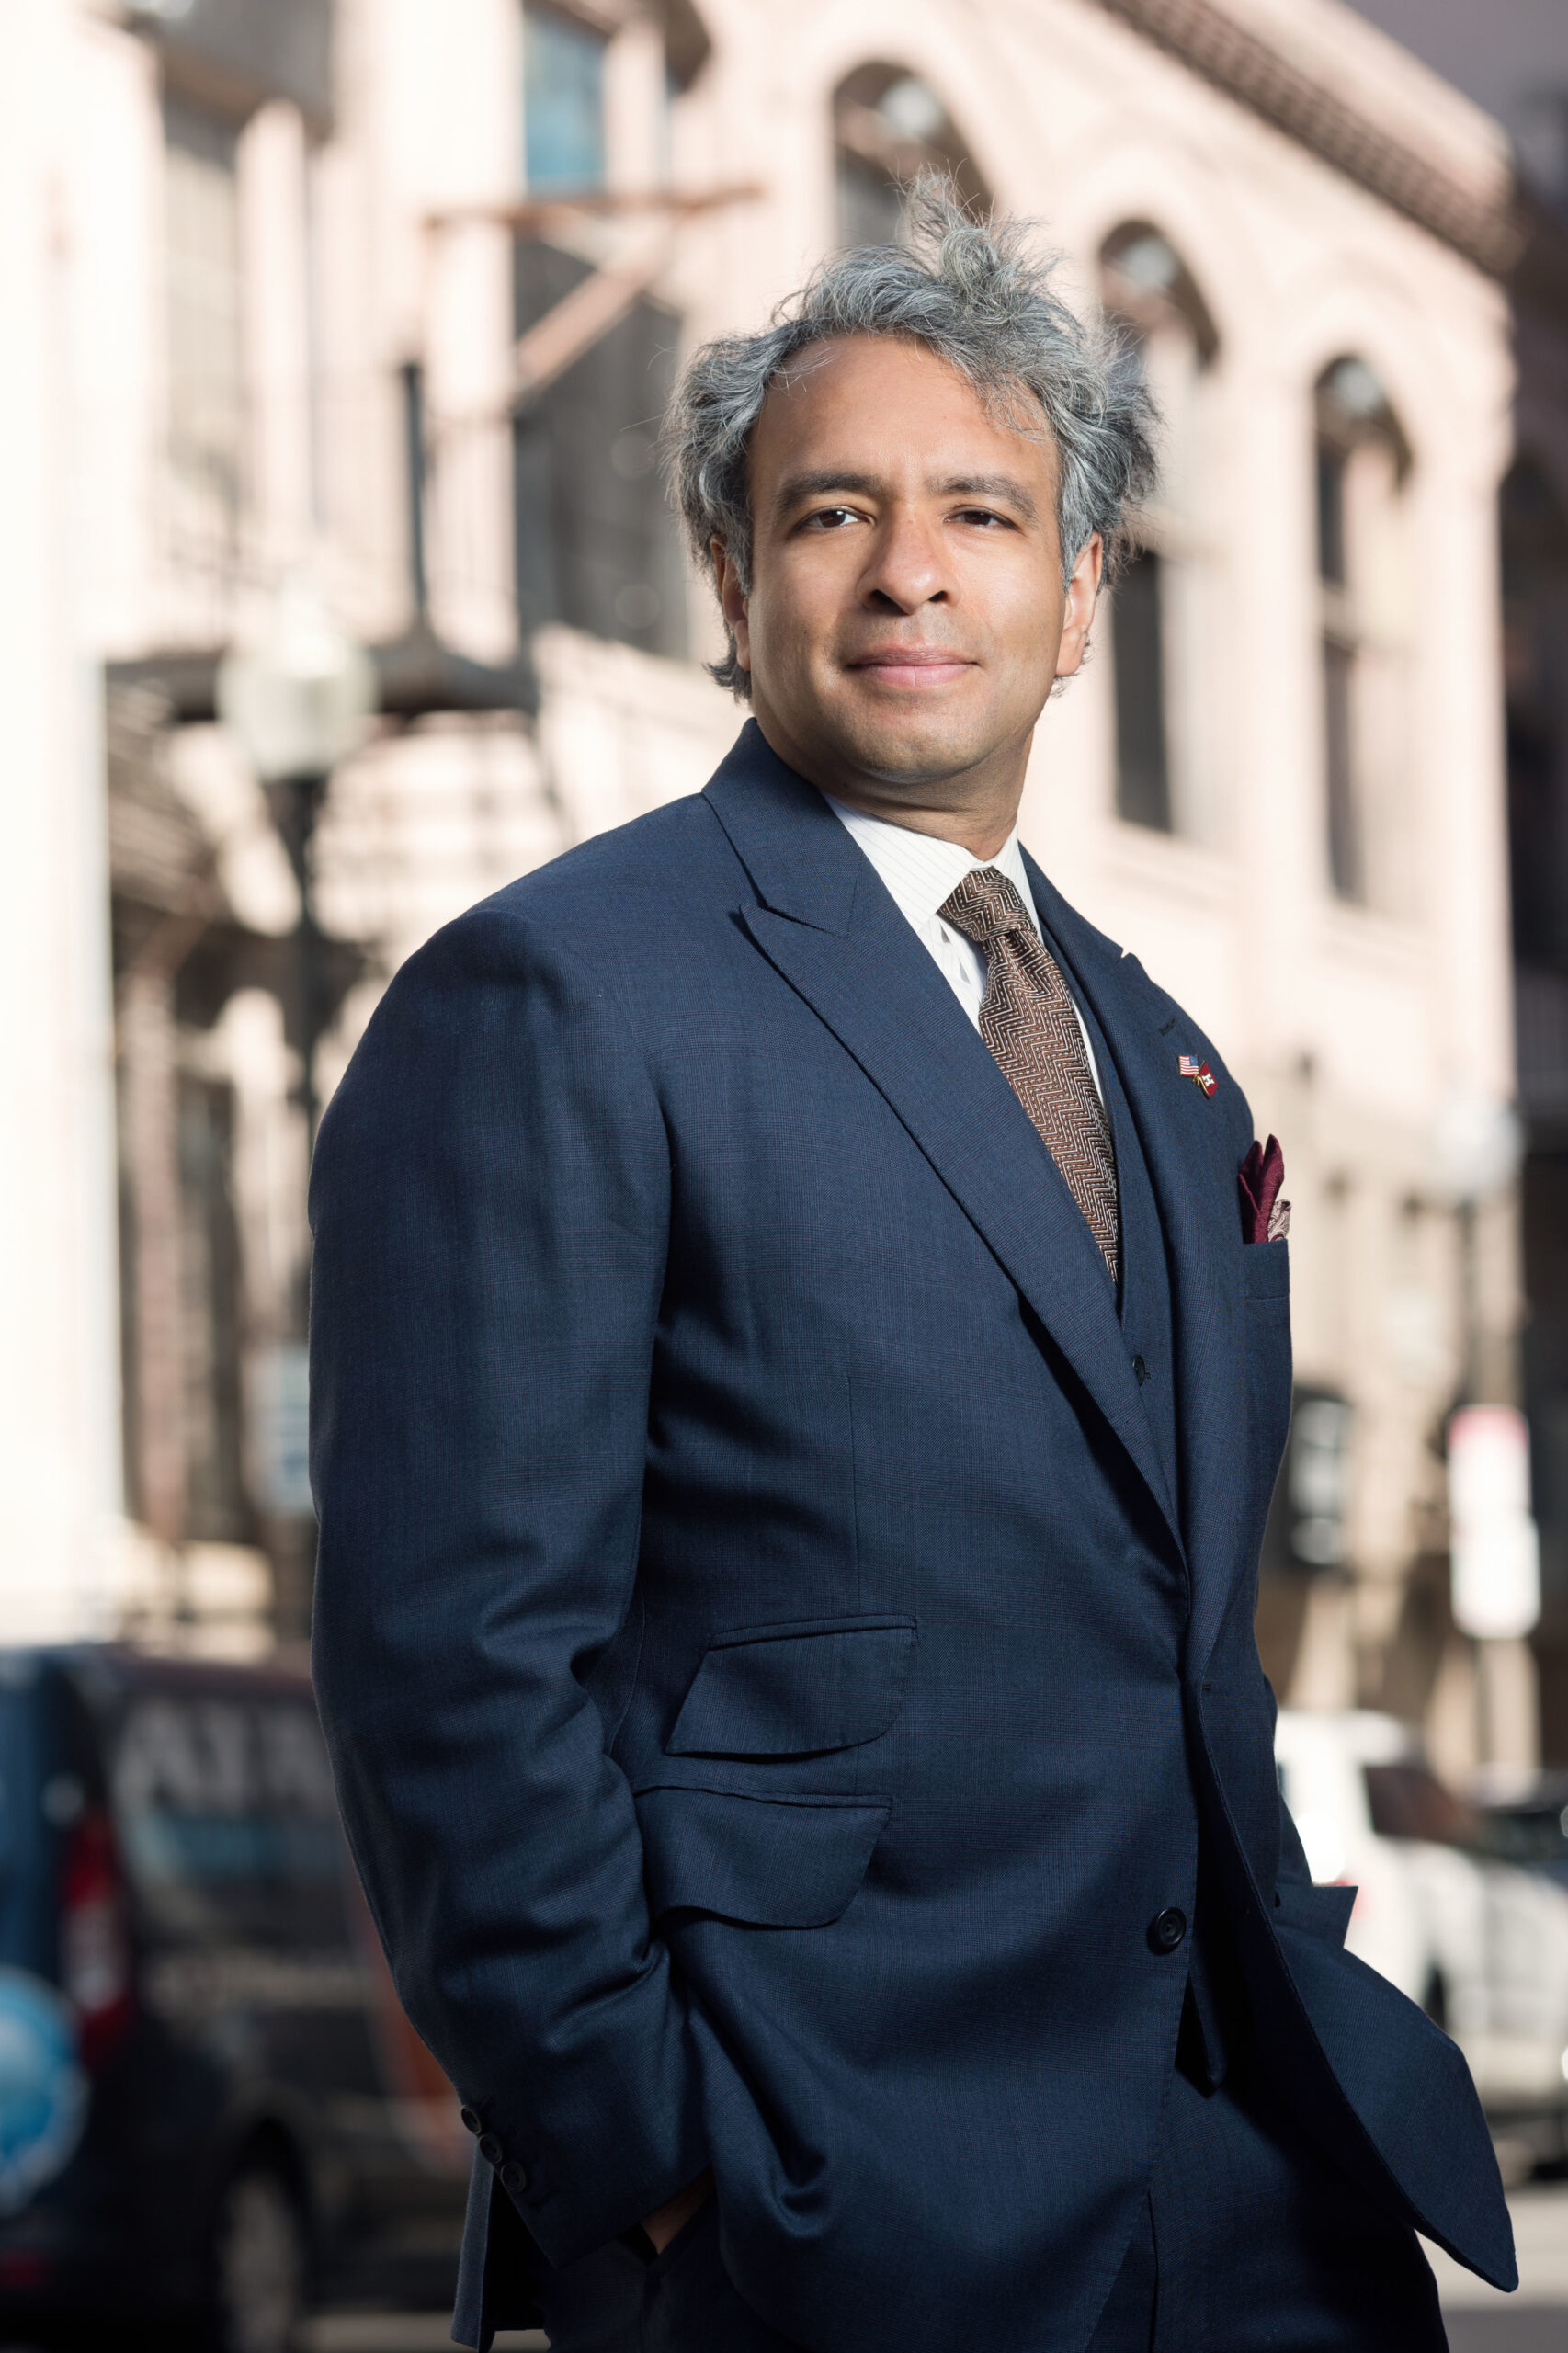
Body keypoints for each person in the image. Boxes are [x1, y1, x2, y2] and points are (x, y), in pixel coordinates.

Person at [309, 188, 1514, 2353]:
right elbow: (457, 1665)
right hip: (818, 2209)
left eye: (979, 509)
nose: (907, 568)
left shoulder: (1158, 1043)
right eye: (830, 510)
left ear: (1076, 598)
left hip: (1249, 2209)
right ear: (731, 579)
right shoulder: (558, 997)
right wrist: (658, 2169)